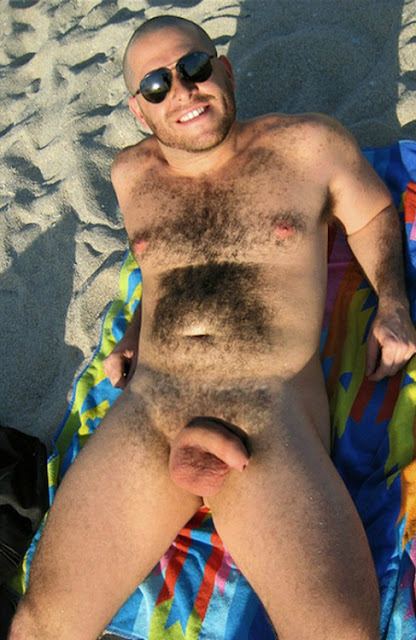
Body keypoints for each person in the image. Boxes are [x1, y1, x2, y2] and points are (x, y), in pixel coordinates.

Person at [9, 15, 416, 640]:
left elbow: (373, 214)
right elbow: (163, 267)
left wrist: (392, 300)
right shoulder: (129, 175)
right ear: (138, 111)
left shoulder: (309, 146)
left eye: (194, 67)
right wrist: (135, 332)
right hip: (153, 406)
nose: (182, 90)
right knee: (42, 624)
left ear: (223, 71)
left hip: (266, 409)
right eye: (156, 85)